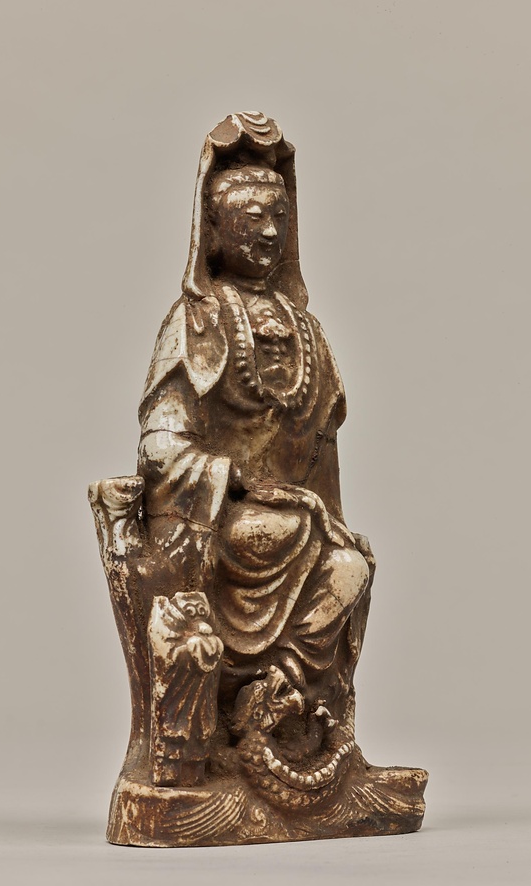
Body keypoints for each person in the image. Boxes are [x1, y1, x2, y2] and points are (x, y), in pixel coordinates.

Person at [136, 112, 372, 713]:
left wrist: (327, 514)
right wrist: (234, 478)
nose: (268, 233)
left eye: (279, 219)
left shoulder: (309, 332)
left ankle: (281, 692)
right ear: (214, 230)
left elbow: (321, 449)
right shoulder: (197, 320)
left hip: (293, 518)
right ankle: (238, 708)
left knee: (349, 565)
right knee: (283, 532)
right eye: (251, 218)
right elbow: (159, 445)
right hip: (225, 524)